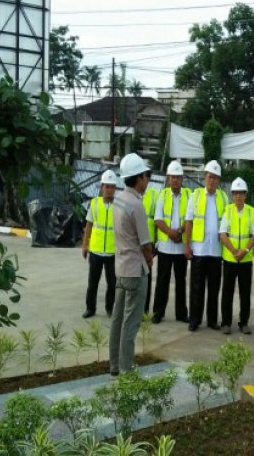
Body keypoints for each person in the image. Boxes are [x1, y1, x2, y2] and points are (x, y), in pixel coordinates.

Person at [109, 153, 153, 375]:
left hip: (121, 268)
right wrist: (150, 260)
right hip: (135, 271)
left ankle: (115, 365)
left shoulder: (117, 199)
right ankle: (127, 370)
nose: (147, 180)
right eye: (146, 175)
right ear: (138, 178)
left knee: (118, 320)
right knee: (130, 323)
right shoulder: (136, 205)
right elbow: (146, 244)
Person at [184, 160, 229, 331]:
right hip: (199, 250)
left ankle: (211, 320)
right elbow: (188, 222)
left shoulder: (224, 198)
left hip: (216, 252)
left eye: (216, 178)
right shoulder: (195, 196)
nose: (212, 181)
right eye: (210, 177)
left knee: (213, 289)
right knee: (196, 287)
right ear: (205, 177)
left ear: (219, 180)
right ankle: (194, 320)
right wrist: (187, 245)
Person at [151, 160, 190, 324]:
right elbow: (158, 219)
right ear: (168, 179)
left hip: (181, 247)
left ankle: (181, 314)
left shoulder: (190, 195)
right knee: (162, 281)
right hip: (166, 247)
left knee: (181, 282)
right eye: (172, 177)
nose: (175, 180)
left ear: (182, 179)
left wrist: (179, 231)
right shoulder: (163, 195)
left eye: (178, 177)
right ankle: (158, 313)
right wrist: (170, 233)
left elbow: (190, 218)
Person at [219, 177, 254, 335]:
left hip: (245, 259)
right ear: (232, 195)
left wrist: (244, 250)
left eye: (241, 193)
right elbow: (223, 234)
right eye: (235, 193)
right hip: (230, 259)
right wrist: (234, 251)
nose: (237, 196)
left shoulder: (251, 211)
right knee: (227, 292)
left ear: (245, 195)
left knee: (245, 293)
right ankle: (226, 323)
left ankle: (244, 323)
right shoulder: (228, 211)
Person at [81, 170, 118, 319]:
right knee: (93, 283)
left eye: (112, 186)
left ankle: (110, 308)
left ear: (115, 188)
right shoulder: (95, 203)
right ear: (102, 187)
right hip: (95, 251)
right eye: (106, 186)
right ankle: (90, 308)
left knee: (112, 284)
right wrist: (85, 244)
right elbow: (89, 225)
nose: (109, 189)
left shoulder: (119, 206)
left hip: (112, 252)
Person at [142, 177, 158, 313]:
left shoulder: (154, 195)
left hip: (148, 244)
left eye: (146, 178)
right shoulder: (130, 194)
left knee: (146, 278)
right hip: (133, 244)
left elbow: (157, 220)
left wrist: (155, 245)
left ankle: (145, 310)